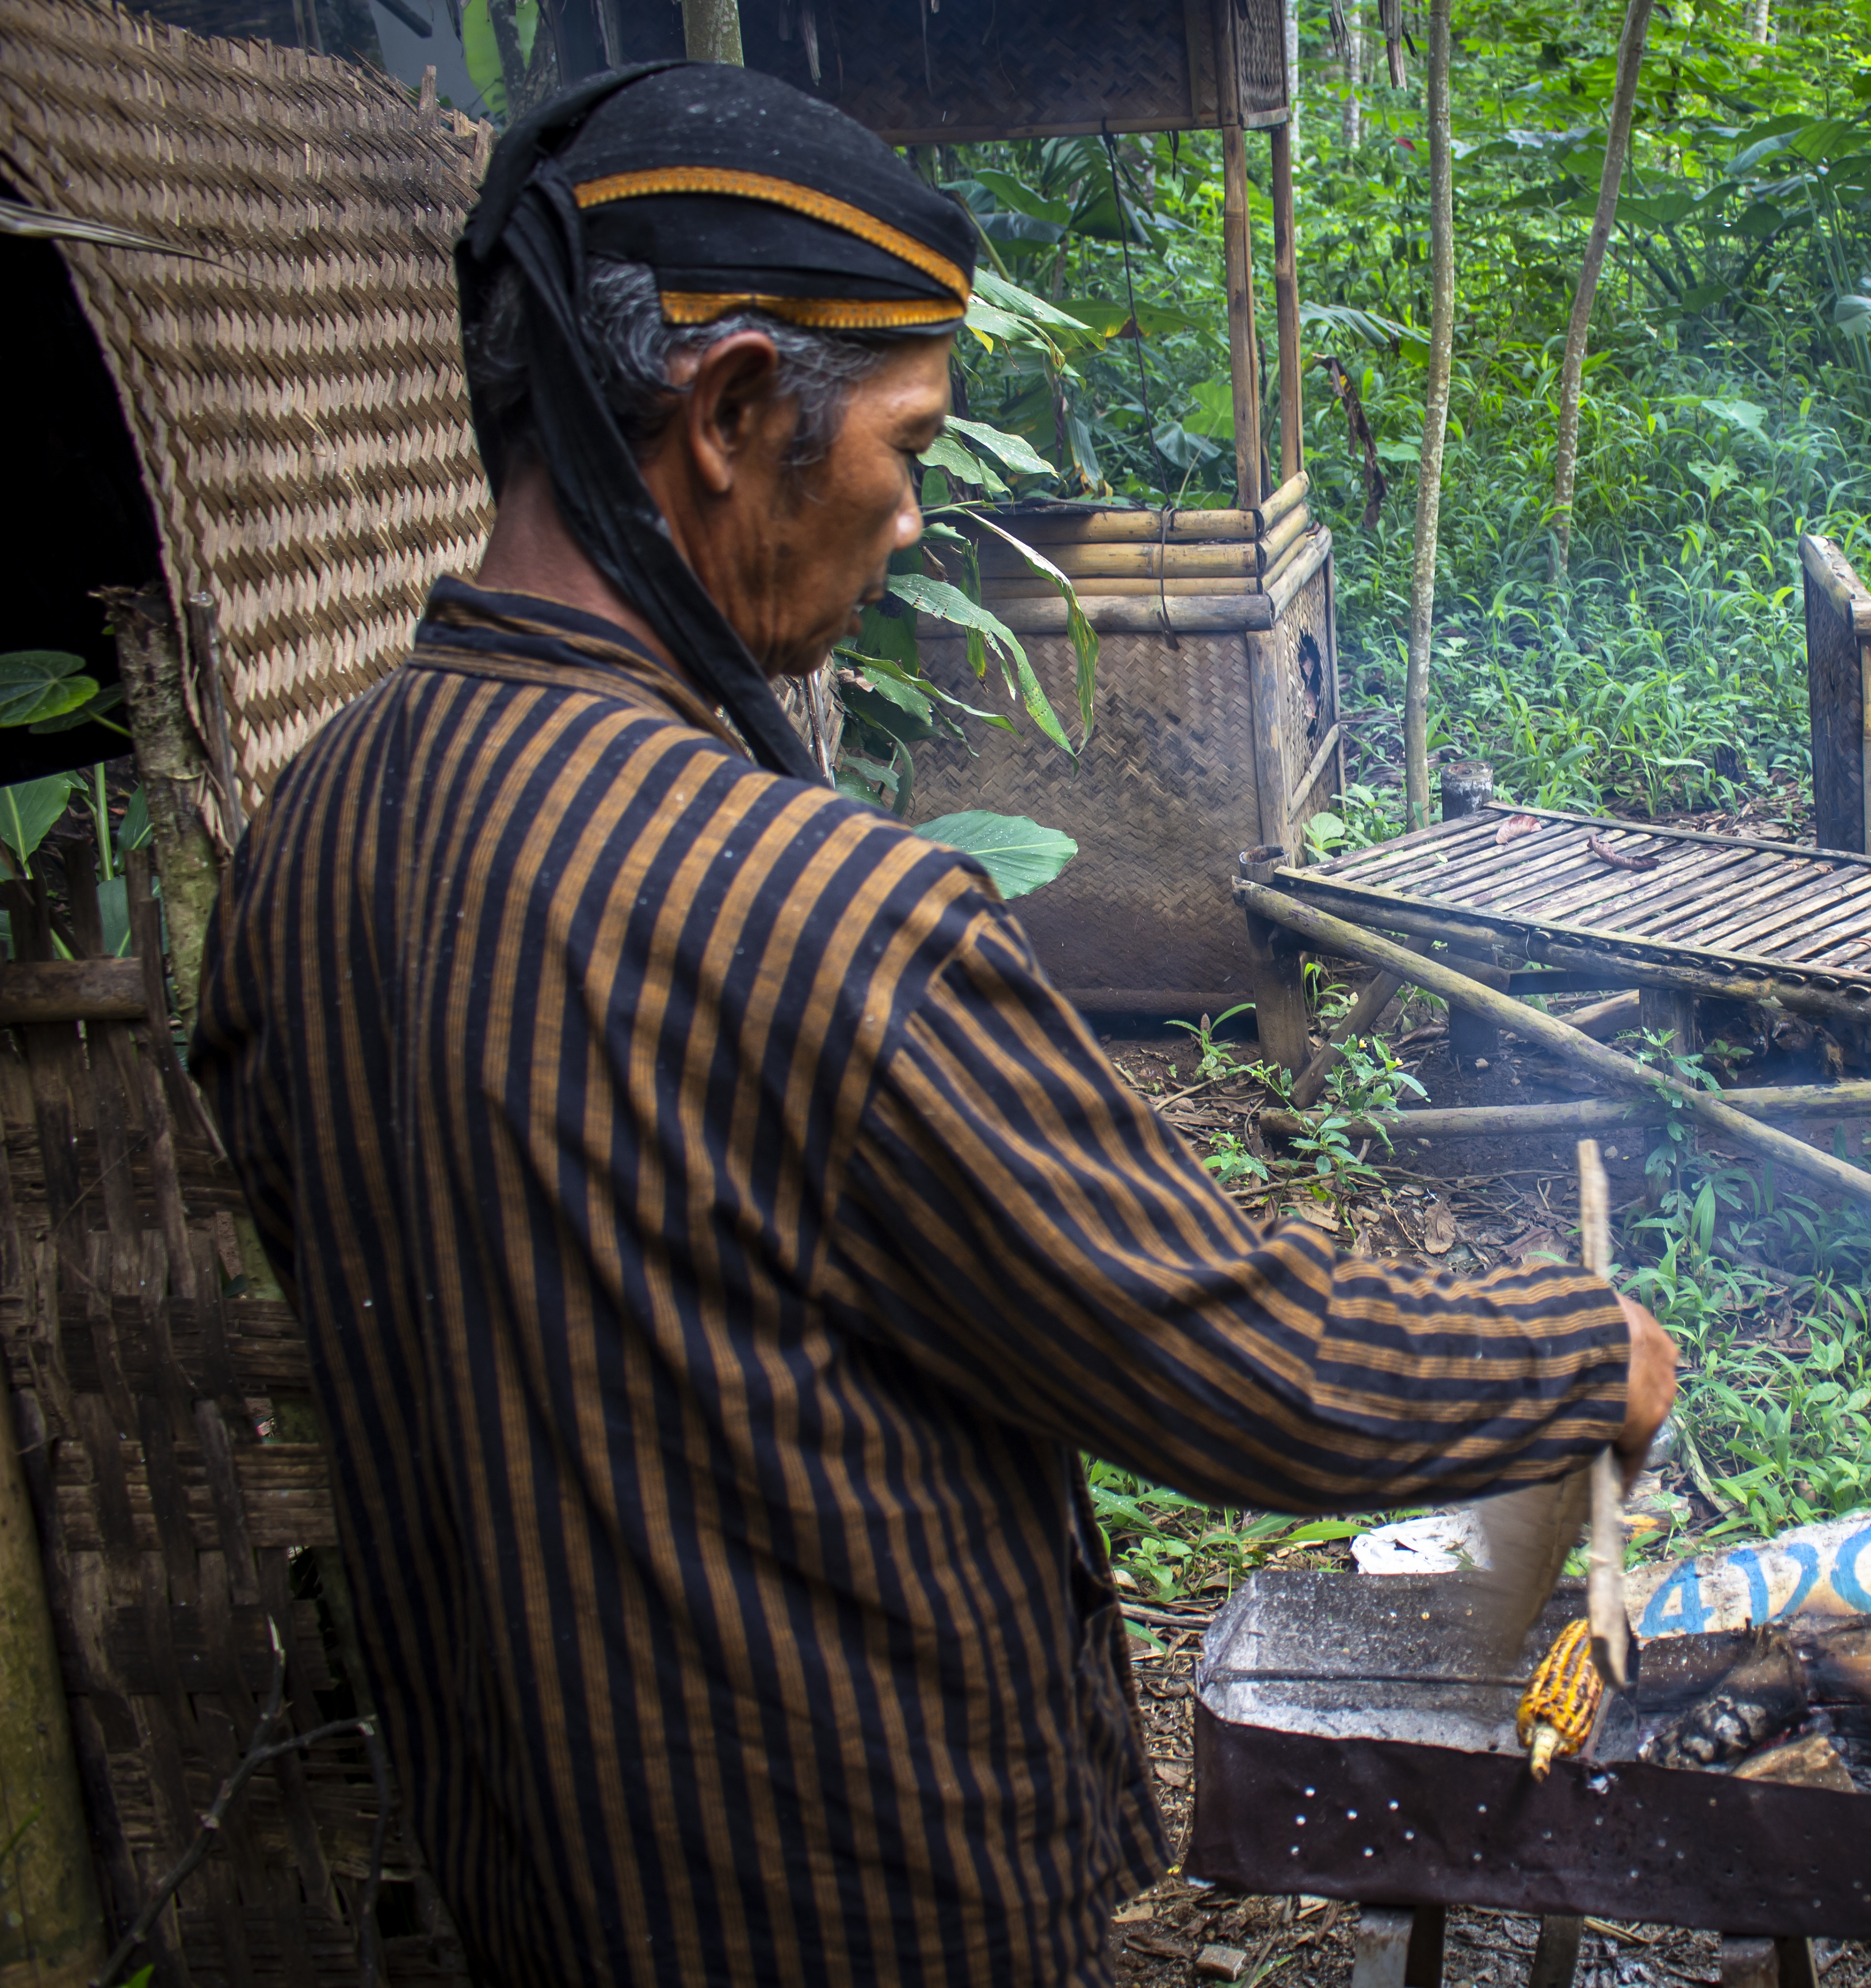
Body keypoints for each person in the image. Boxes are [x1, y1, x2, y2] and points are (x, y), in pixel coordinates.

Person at [189, 62, 1674, 1986]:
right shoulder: (817, 920)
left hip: (532, 1893)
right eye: (905, 444)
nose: (906, 522)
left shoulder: (303, 847)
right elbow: (1222, 1353)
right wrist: (1584, 1353)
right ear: (731, 415)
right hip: (855, 1909)